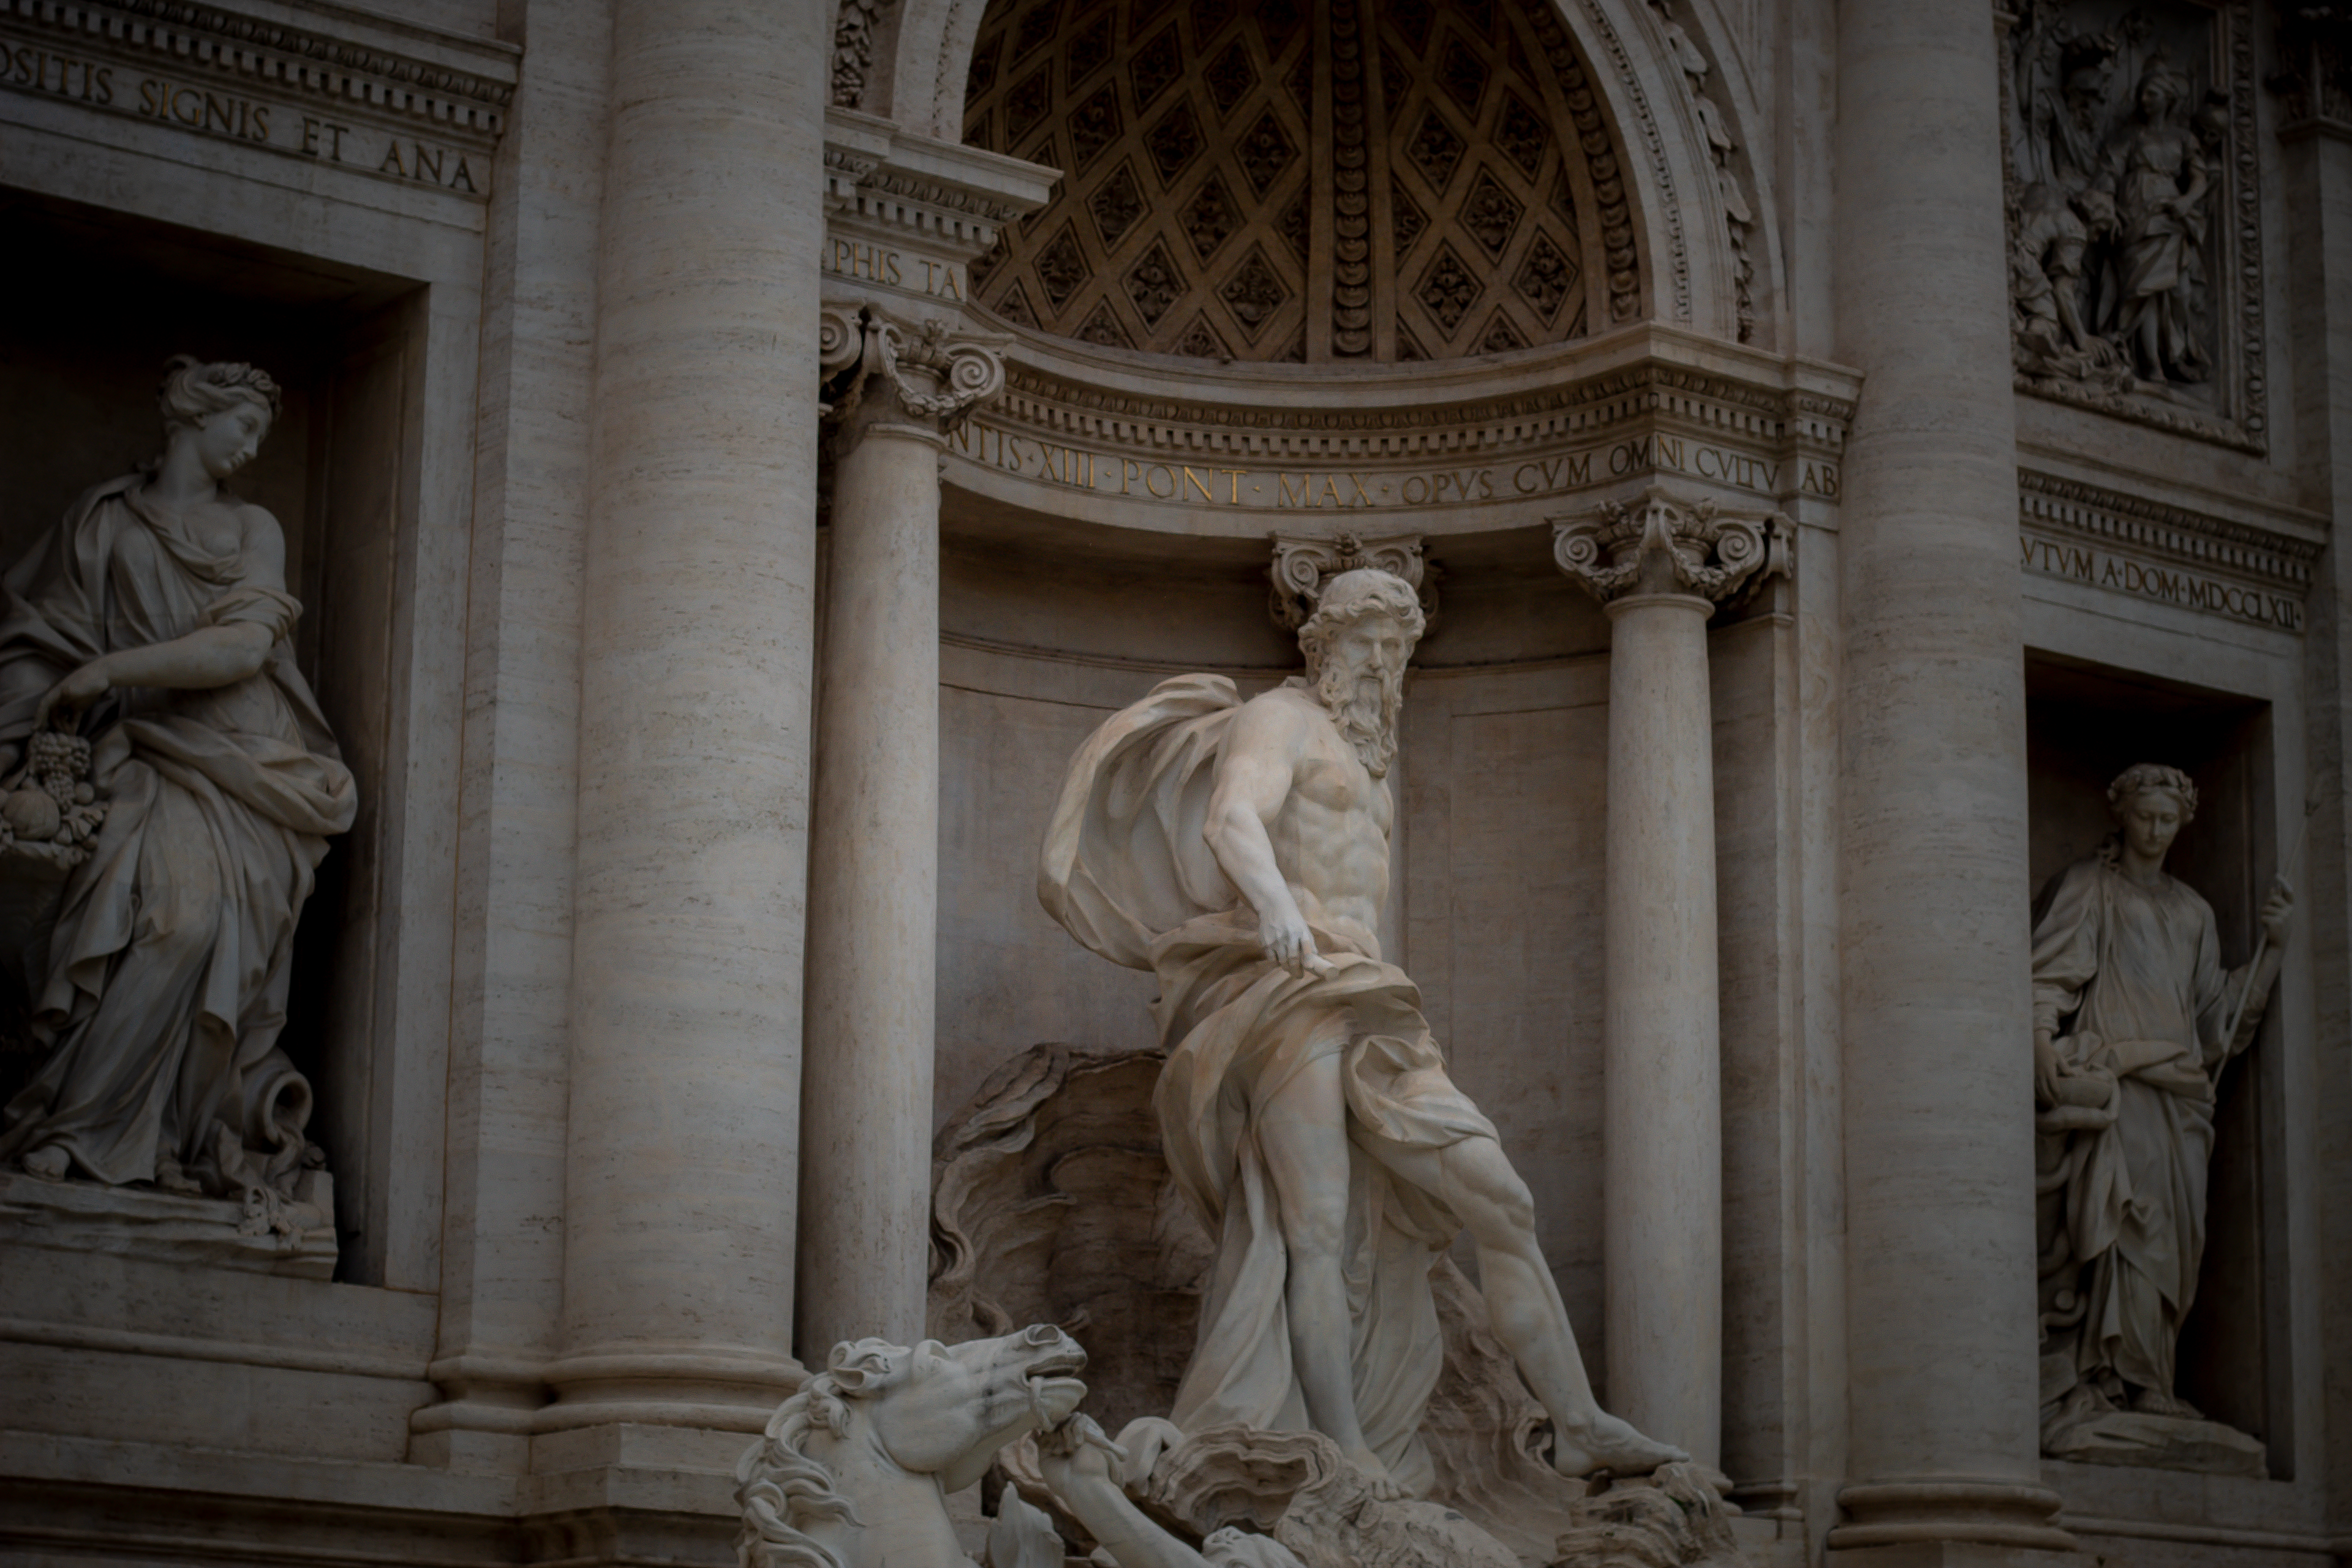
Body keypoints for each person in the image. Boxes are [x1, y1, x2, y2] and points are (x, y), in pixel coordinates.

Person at [1040, 568, 1680, 1498]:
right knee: (1318, 1229)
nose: (1381, 662)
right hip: (1288, 987)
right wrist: (1274, 911)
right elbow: (1232, 820)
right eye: (1364, 641)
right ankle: (1346, 1452)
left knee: (1500, 1198)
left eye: (1396, 646)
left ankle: (1578, 1424)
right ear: (1321, 645)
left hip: (1369, 997)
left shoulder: (1366, 753)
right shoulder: (1281, 719)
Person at [0, 356, 355, 1202]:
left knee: (191, 926)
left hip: (246, 761)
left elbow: (243, 648)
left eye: (267, 433)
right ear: (195, 417)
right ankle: (96, 1132)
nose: (254, 444)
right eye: (244, 426)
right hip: (140, 749)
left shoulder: (254, 529)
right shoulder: (102, 521)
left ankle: (137, 1135)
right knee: (130, 916)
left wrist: (106, 670)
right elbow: (40, 637)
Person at [2032, 763, 2288, 1428]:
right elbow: (2049, 978)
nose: (2154, 829)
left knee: (2173, 1242)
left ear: (2183, 823)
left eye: (2167, 819)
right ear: (2122, 813)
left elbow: (2215, 1024)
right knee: (2127, 1226)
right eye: (2145, 815)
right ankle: (2113, 1378)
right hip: (2120, 1086)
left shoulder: (2194, 911)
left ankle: (2156, 1378)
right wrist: (2039, 1045)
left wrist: (2273, 952)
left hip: (2181, 1098)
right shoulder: (2089, 887)